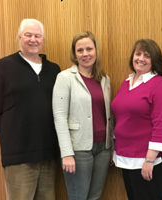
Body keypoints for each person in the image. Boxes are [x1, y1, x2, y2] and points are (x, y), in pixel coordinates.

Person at [0, 19, 60, 200]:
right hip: (18, 157)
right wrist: (13, 135)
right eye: (28, 35)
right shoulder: (3, 67)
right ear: (19, 38)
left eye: (37, 36)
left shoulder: (54, 70)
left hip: (48, 155)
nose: (33, 39)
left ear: (43, 39)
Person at [52, 31, 113, 200]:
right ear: (74, 54)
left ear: (96, 51)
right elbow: (59, 117)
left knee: (94, 197)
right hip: (78, 149)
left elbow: (109, 115)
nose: (85, 54)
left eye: (89, 49)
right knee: (78, 197)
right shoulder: (65, 78)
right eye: (80, 50)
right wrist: (66, 153)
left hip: (103, 148)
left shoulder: (104, 79)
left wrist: (112, 145)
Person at [111, 39, 162, 200]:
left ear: (155, 61)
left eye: (147, 56)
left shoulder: (160, 85)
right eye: (138, 53)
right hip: (127, 157)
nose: (141, 58)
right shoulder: (126, 83)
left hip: (148, 160)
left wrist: (149, 159)